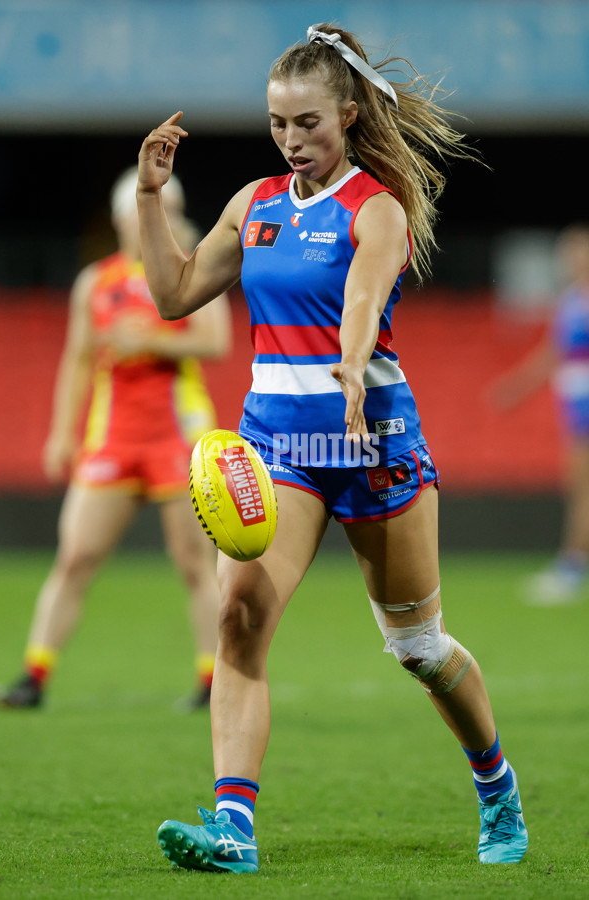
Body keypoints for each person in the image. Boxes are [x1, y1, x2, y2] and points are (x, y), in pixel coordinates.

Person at [137, 23, 528, 873]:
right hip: (279, 440)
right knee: (239, 620)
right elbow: (172, 297)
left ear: (348, 115)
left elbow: (363, 296)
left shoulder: (375, 207)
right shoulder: (254, 204)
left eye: (307, 122)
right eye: (278, 123)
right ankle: (233, 831)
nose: (292, 139)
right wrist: (147, 197)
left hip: (371, 434)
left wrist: (352, 368)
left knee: (419, 648)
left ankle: (496, 785)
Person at [0, 167, 231, 711]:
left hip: (179, 437)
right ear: (128, 215)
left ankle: (211, 681)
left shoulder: (190, 272)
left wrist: (151, 336)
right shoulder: (96, 283)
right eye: (156, 208)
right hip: (114, 438)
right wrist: (61, 432)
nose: (167, 218)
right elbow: (78, 360)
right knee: (76, 556)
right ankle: (34, 674)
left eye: (173, 209)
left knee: (195, 563)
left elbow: (216, 341)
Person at [492, 224, 589, 605]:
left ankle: (572, 567)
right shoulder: (571, 299)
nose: (571, 259)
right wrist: (516, 388)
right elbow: (553, 354)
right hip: (574, 402)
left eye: (578, 252)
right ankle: (572, 565)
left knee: (582, 489)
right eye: (567, 253)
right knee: (578, 486)